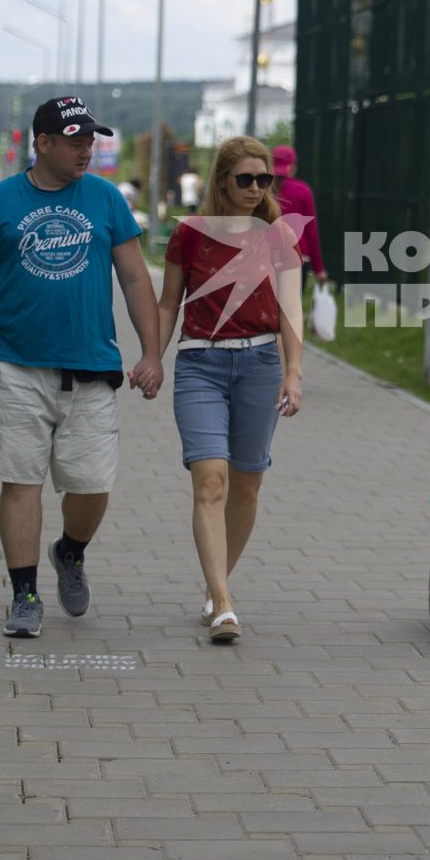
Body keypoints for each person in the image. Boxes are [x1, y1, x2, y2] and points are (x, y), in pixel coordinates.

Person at [0, 96, 165, 639]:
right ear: (41, 143)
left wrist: (152, 353)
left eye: (91, 141)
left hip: (91, 368)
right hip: (14, 367)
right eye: (75, 141)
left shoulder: (106, 199)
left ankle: (70, 552)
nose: (86, 151)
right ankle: (24, 595)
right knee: (21, 481)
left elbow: (137, 279)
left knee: (92, 485)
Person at [157, 136, 305, 643]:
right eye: (245, 179)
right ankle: (222, 602)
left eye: (264, 180)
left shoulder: (279, 236)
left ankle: (214, 583)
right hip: (200, 362)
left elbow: (291, 307)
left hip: (261, 364)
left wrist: (294, 371)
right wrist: (151, 357)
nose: (256, 188)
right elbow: (166, 304)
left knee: (246, 484)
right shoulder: (190, 234)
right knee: (211, 479)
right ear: (221, 180)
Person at [269, 144, 326, 281]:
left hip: (269, 257)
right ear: (293, 166)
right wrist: (318, 269)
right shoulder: (302, 190)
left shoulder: (263, 189)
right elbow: (311, 232)